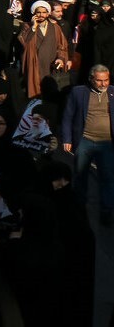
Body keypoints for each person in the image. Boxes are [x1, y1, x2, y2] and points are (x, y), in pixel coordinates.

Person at [62, 64, 114, 224]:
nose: (103, 84)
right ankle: (80, 209)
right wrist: (67, 139)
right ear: (91, 79)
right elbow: (68, 116)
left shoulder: (112, 92)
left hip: (106, 143)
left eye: (106, 80)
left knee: (107, 178)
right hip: (85, 140)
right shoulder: (78, 93)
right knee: (80, 176)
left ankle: (106, 211)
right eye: (99, 81)